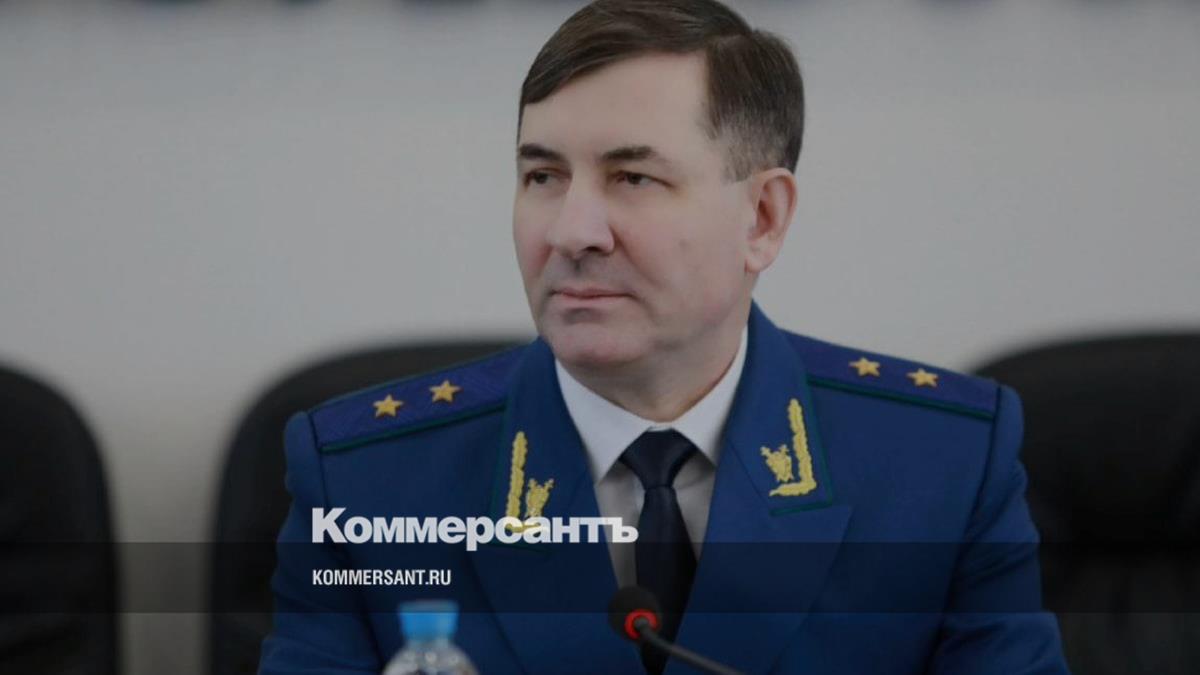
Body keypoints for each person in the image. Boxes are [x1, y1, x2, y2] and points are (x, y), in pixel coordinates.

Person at [260, 1, 1069, 673]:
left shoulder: (943, 468)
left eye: (633, 178)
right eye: (542, 176)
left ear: (762, 217)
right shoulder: (365, 481)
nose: (572, 230)